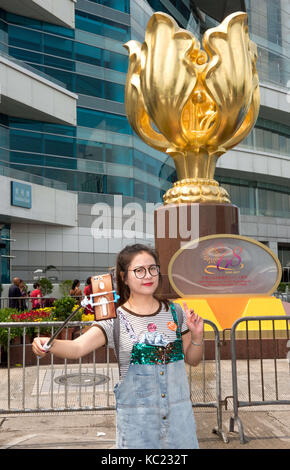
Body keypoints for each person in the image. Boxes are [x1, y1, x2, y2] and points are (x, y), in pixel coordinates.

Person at [32, 244, 204, 449]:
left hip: (180, 428)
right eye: (139, 270)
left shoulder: (176, 312)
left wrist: (197, 336)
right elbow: (77, 348)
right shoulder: (115, 321)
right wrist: (48, 344)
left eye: (152, 268)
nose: (148, 275)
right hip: (138, 432)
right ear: (124, 277)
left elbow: (193, 359)